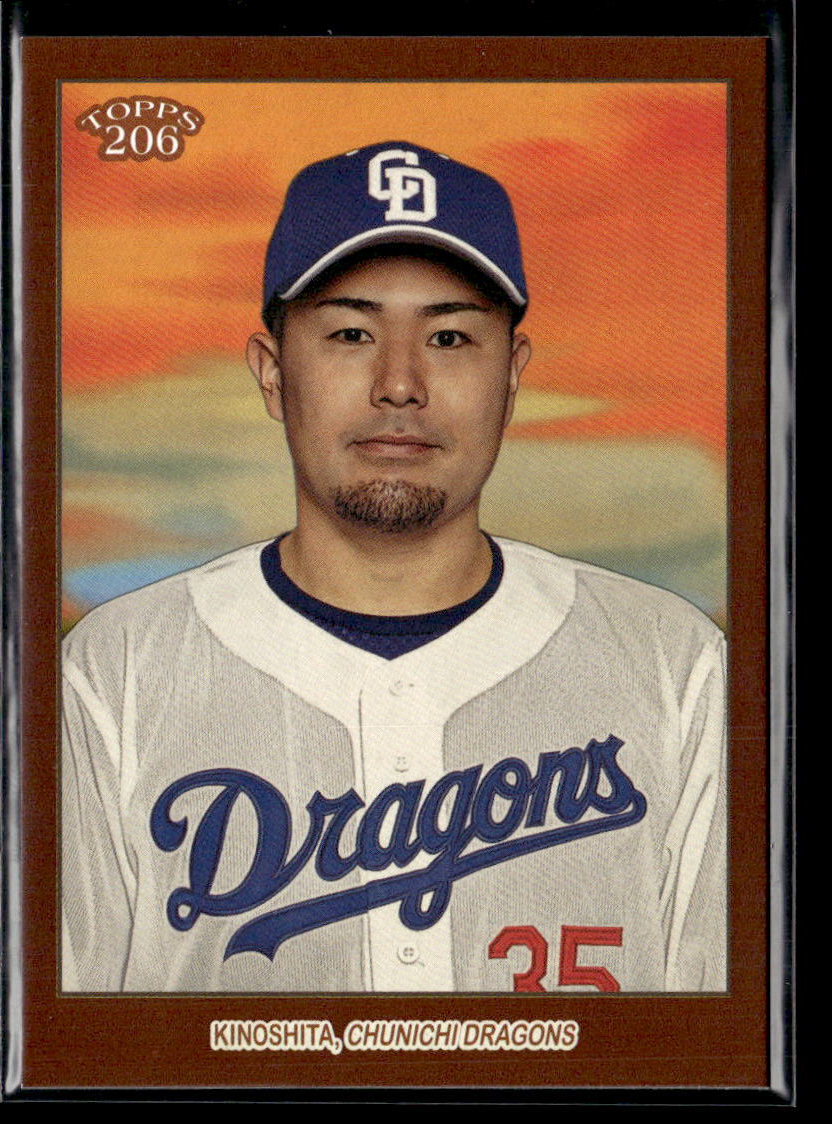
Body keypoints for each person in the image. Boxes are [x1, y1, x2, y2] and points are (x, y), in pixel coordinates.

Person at [62, 141, 726, 993]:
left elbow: (720, 1046)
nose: (400, 383)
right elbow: (68, 1048)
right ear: (273, 373)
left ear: (511, 376)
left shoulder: (672, 665)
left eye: (448, 336)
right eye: (351, 333)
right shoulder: (115, 672)